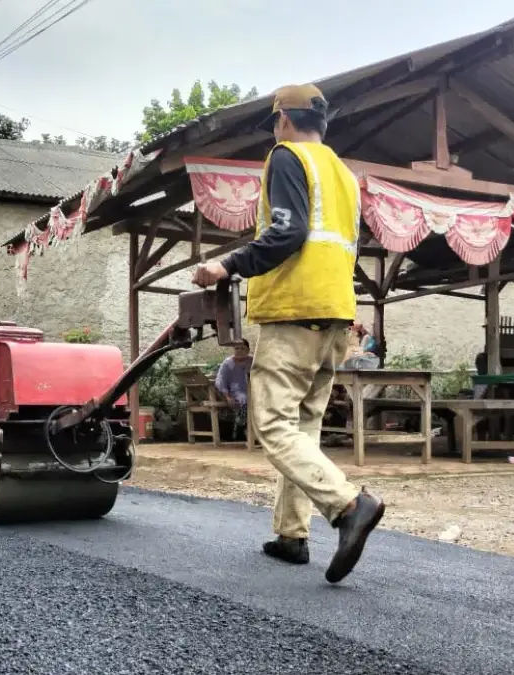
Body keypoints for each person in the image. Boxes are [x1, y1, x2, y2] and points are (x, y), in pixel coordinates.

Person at [191, 84, 385, 585]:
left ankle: (348, 506)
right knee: (305, 431)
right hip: (335, 314)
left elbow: (288, 232)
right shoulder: (343, 174)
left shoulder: (285, 156)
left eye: (275, 122)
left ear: (283, 120)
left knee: (274, 426)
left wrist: (225, 265)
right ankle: (291, 535)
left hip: (293, 311)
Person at [214, 339, 253, 439]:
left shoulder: (253, 361)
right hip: (236, 393)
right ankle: (239, 431)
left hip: (254, 391)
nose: (239, 350)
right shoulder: (228, 363)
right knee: (244, 399)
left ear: (248, 350)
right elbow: (220, 381)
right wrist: (227, 396)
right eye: (236, 348)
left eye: (242, 348)